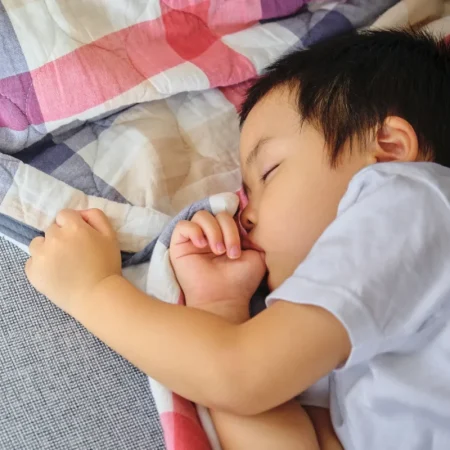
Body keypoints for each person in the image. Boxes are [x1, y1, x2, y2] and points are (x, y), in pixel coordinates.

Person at [25, 29, 450, 450]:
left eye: (269, 172)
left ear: (390, 148)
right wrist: (221, 307)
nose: (245, 213)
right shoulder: (341, 341)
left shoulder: (415, 204)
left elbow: (241, 376)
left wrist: (92, 290)